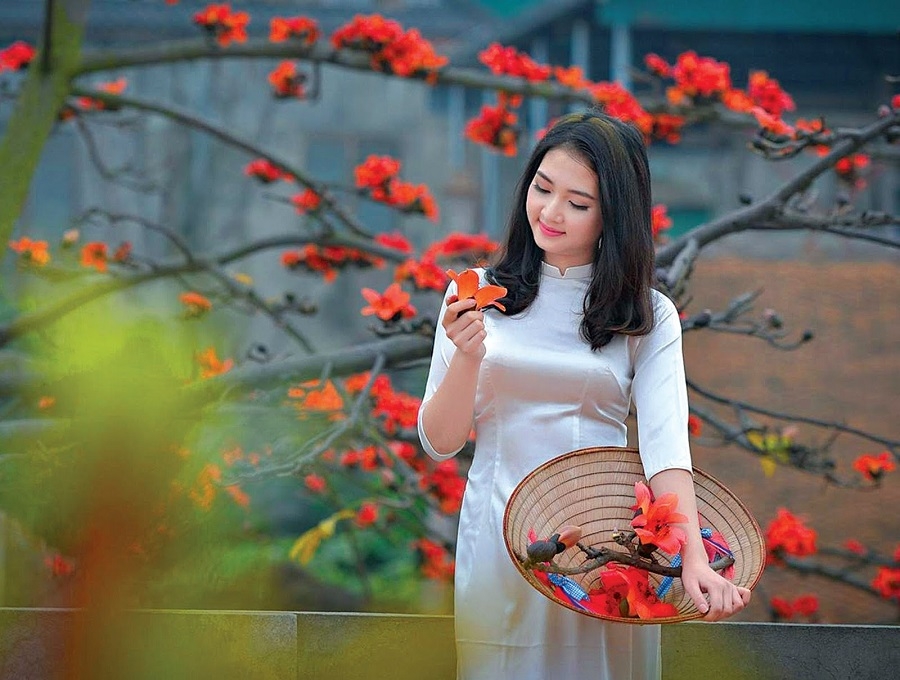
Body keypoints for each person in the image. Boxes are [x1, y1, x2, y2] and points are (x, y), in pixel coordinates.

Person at [417, 110, 751, 680]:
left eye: (577, 202)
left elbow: (667, 449)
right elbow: (440, 443)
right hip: (500, 539)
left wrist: (691, 553)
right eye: (542, 189)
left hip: (607, 547)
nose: (550, 212)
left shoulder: (647, 316)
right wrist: (468, 356)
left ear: (612, 216)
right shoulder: (476, 296)